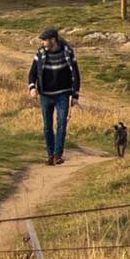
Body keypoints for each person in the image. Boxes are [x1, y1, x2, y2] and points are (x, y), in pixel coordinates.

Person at [27, 28, 82, 165]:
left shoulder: (67, 52)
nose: (43, 42)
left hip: (63, 94)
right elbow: (32, 73)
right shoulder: (40, 53)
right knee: (47, 126)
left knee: (62, 123)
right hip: (46, 95)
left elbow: (76, 74)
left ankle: (58, 155)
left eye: (45, 40)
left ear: (53, 40)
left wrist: (75, 95)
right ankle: (50, 155)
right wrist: (32, 88)